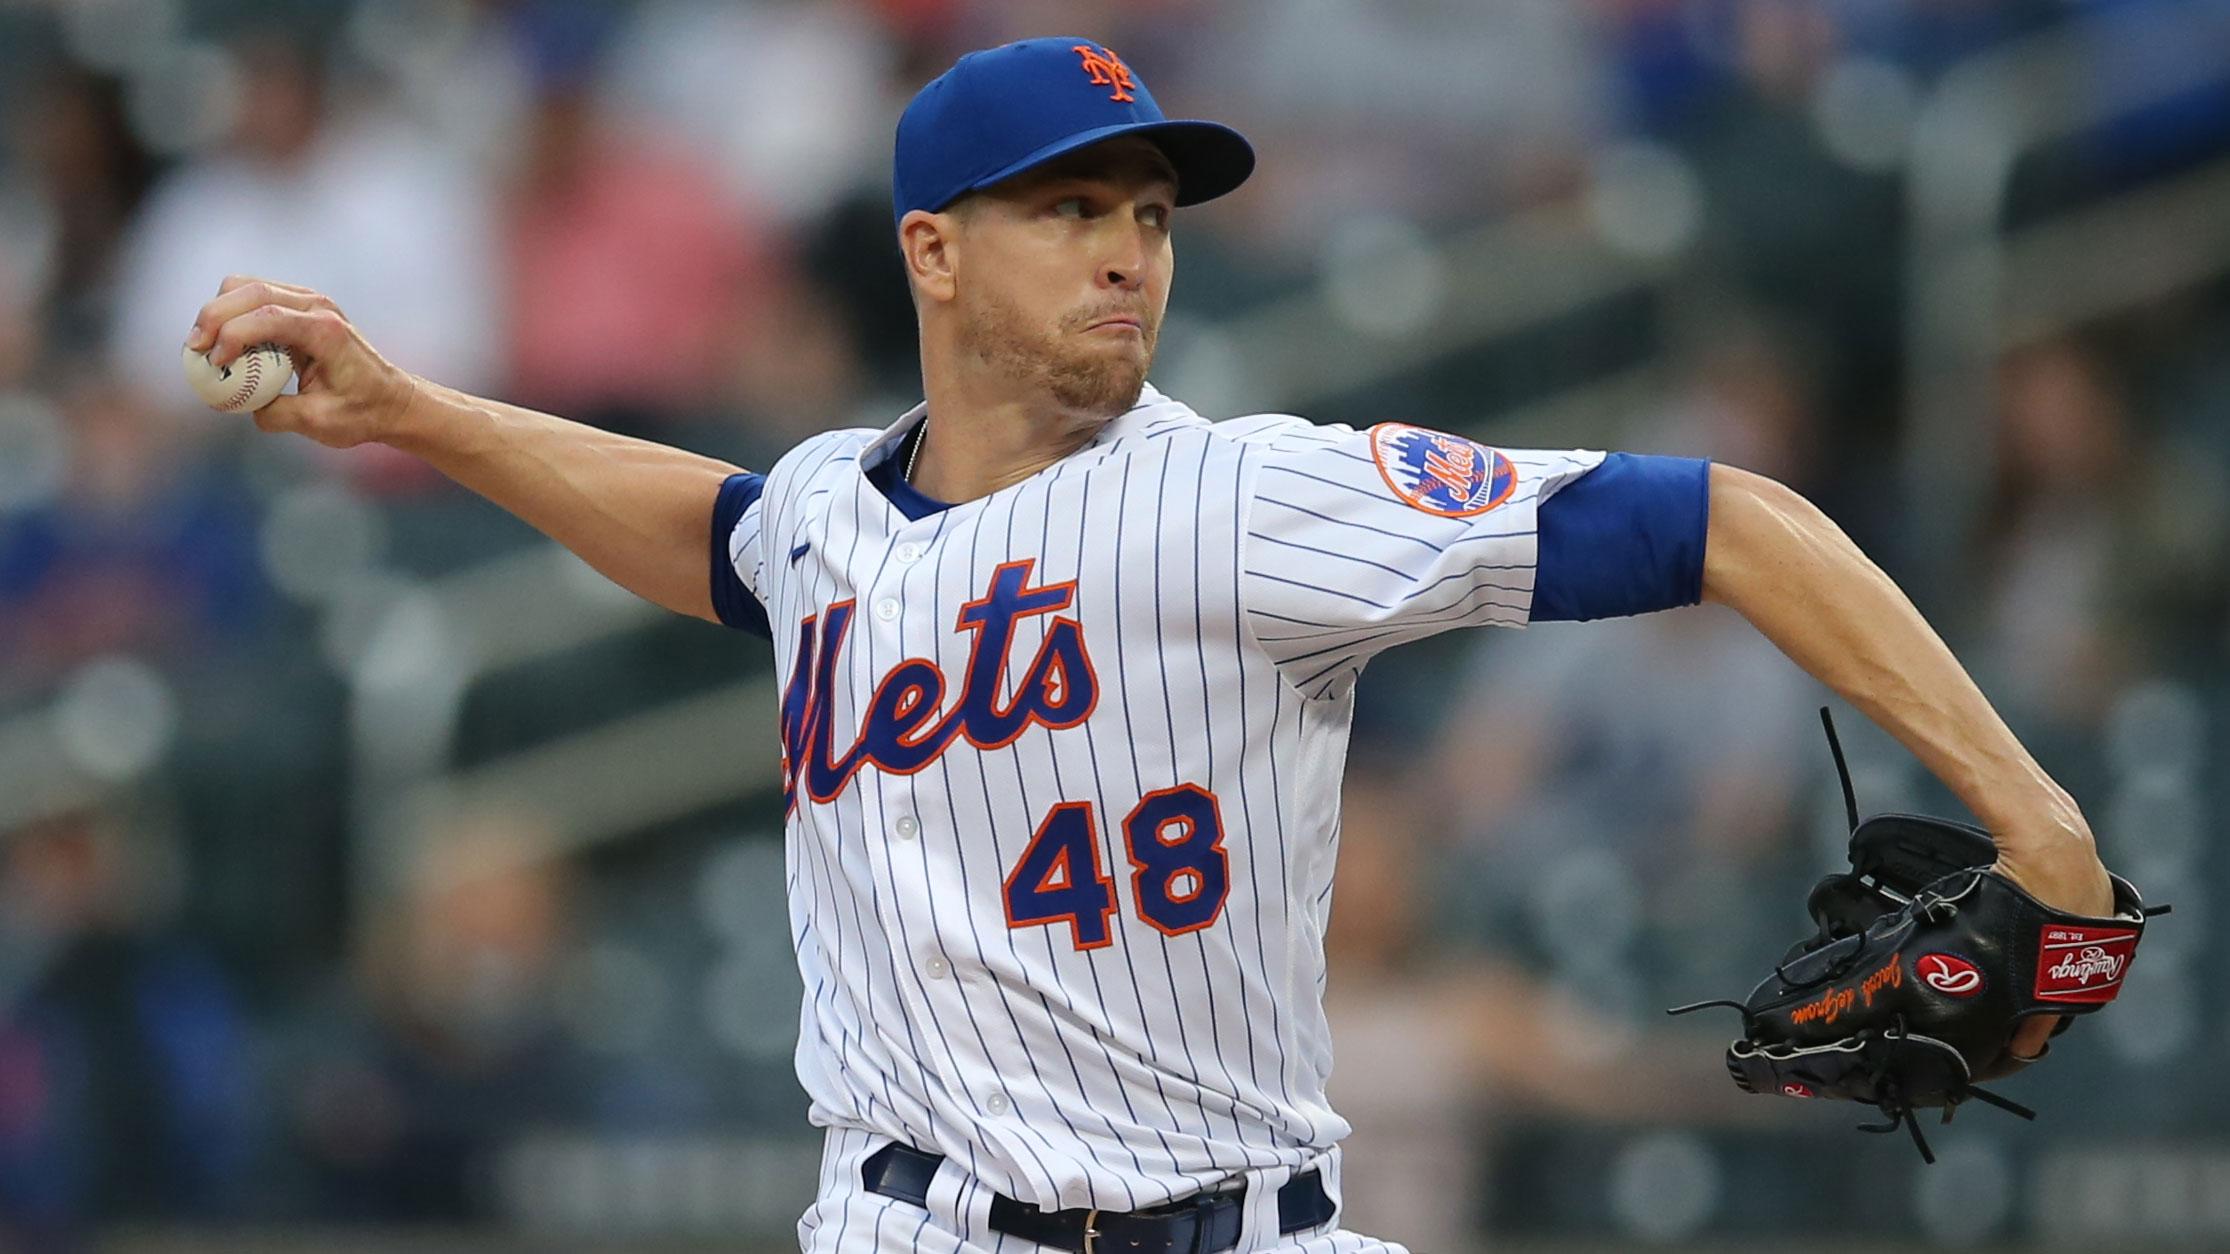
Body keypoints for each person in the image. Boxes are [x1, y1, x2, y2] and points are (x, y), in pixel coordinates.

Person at [184, 36, 2115, 1254]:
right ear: (932, 250)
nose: (1132, 248)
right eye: (1071, 208)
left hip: (1258, 1217)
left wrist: (2031, 819)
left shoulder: (1250, 494)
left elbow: (1733, 520)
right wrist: (420, 411)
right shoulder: (829, 520)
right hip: (912, 1224)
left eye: (1151, 212)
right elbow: (716, 533)